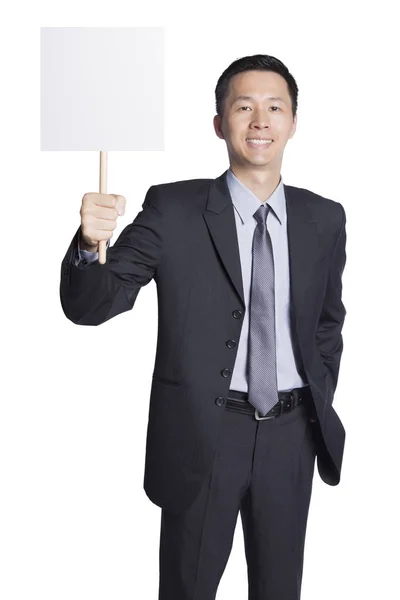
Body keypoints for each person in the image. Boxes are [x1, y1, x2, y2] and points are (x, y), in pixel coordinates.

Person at [60, 53, 347, 600]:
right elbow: (93, 304)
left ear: (292, 122)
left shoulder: (324, 217)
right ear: (220, 123)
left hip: (292, 435)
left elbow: (327, 322)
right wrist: (88, 244)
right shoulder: (174, 208)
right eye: (244, 107)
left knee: (279, 590)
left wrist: (316, 395)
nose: (260, 120)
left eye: (274, 107)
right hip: (203, 436)